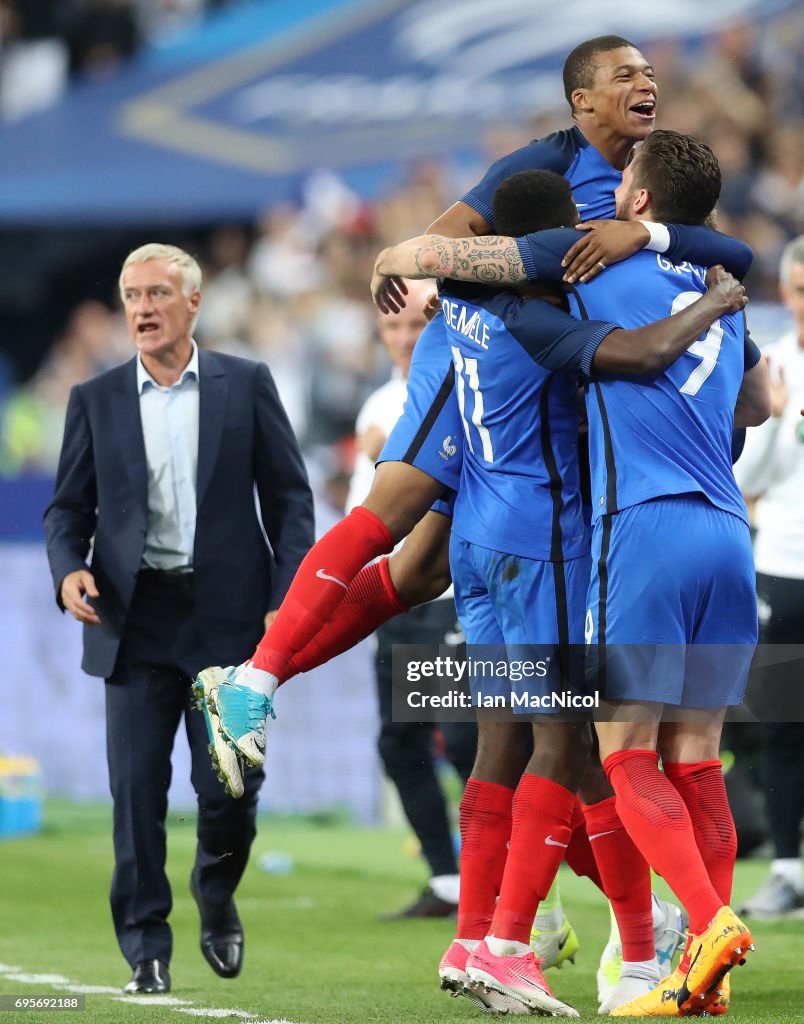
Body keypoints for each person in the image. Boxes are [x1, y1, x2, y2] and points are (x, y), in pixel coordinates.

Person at [377, 166, 750, 1016]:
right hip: (634, 535)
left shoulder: (503, 305)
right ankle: (606, 947)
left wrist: (397, 261)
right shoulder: (656, 280)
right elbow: (752, 394)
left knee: (550, 746)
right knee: (626, 751)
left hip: (507, 538)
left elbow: (444, 263)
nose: (606, 205)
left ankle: (503, 939)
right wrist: (709, 299)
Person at [43, 243, 314, 995]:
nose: (142, 307)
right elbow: (67, 510)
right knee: (135, 795)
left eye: (159, 292)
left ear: (193, 303)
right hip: (131, 619)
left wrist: (286, 596)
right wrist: (70, 569)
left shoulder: (246, 384)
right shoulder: (94, 399)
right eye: (132, 294)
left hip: (230, 622)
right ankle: (145, 947)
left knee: (230, 790)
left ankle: (217, 894)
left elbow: (292, 502)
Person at [347, 279, 477, 919]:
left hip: (445, 592)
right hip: (393, 597)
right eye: (392, 329)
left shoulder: (457, 383)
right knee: (400, 742)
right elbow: (360, 512)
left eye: (414, 329)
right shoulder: (376, 403)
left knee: (465, 739)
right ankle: (447, 879)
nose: (403, 340)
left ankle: (503, 883)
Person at [735, 235, 804, 919]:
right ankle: (788, 869)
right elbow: (743, 480)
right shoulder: (771, 368)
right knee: (782, 722)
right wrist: (777, 421)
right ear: (787, 293)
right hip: (781, 566)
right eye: (802, 290)